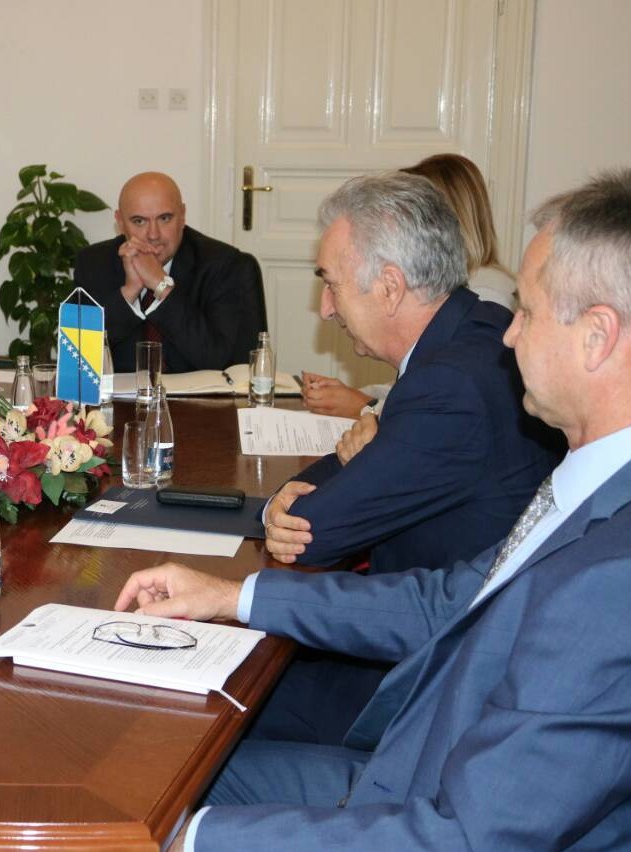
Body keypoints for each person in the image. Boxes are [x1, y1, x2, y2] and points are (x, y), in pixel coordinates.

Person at [116, 168, 631, 850]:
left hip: (423, 787)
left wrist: (189, 841)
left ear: (597, 336)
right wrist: (230, 596)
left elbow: (466, 837)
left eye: (528, 314)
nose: (509, 337)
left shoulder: (610, 575)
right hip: (426, 757)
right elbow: (445, 602)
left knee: (147, 781)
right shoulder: (593, 484)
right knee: (144, 766)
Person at [253, 173, 560, 746]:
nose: (325, 307)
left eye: (331, 284)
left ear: (390, 287)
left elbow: (313, 534)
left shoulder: (450, 385)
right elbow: (356, 461)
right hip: (447, 640)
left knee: (214, 702)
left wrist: (290, 505)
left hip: (430, 683)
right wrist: (284, 499)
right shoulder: (476, 327)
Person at [304, 153, 517, 417]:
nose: (325, 309)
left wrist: (368, 411)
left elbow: (434, 396)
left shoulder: (484, 299)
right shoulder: (469, 307)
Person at [73, 172, 265, 373]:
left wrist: (161, 285)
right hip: (122, 393)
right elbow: (78, 360)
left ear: (182, 216)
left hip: (202, 393)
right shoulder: (93, 264)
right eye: (139, 221)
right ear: (120, 222)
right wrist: (129, 291)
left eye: (165, 218)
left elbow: (230, 364)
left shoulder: (226, 266)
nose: (153, 235)